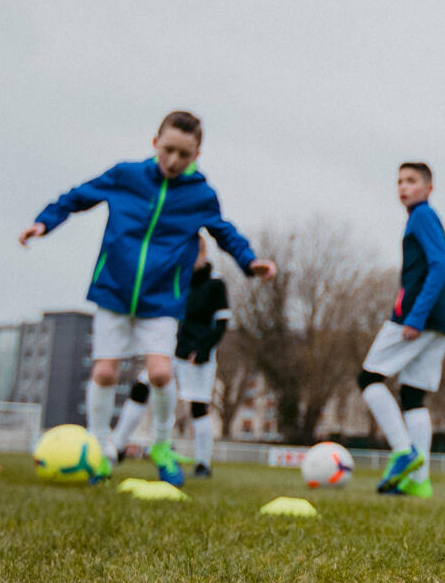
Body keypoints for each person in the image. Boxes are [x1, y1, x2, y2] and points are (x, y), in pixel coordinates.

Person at [19, 110, 275, 486]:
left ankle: (161, 447)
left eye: (184, 155)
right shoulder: (126, 176)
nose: (173, 161)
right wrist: (44, 222)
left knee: (160, 372)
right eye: (168, 150)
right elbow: (76, 198)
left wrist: (250, 261)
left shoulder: (200, 195)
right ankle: (99, 451)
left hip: (161, 298)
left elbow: (224, 232)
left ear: (196, 155)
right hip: (114, 290)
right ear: (155, 143)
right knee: (105, 371)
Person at [357, 162, 445, 498]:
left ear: (428, 188)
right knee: (413, 395)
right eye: (400, 182)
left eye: (411, 181)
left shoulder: (421, 216)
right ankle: (419, 481)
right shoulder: (426, 219)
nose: (403, 187)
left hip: (418, 318)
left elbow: (440, 268)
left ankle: (404, 452)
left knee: (368, 378)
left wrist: (416, 318)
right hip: (438, 321)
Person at [110, 237, 232, 477]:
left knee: (199, 406)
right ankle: (117, 445)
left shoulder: (216, 284)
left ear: (203, 253)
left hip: (196, 353)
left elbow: (221, 323)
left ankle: (203, 463)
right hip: (169, 347)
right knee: (141, 388)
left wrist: (205, 348)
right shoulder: (176, 280)